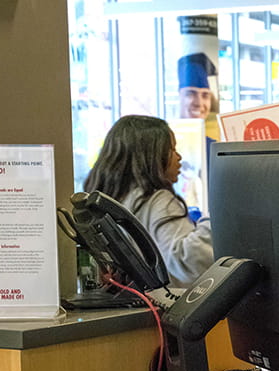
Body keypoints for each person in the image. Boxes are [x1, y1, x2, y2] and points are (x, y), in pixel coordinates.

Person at [83, 115, 214, 288]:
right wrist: (218, 217)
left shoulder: (112, 199)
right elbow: (187, 262)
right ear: (151, 156)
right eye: (172, 150)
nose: (179, 157)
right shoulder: (158, 200)